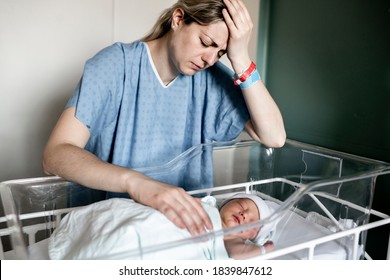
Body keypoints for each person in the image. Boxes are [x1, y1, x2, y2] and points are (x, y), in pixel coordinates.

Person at [42, 0, 286, 237]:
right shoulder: (116, 65)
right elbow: (56, 154)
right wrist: (136, 184)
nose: (210, 59)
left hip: (180, 234)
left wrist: (241, 59)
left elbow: (274, 137)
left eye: (220, 52)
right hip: (111, 229)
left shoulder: (212, 78)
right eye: (206, 42)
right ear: (178, 19)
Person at [48, 193, 275, 260]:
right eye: (243, 205)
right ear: (227, 203)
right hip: (158, 221)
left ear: (252, 236)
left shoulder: (232, 240)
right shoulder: (206, 206)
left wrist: (265, 250)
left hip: (177, 247)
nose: (244, 215)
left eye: (253, 222)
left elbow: (238, 254)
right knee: (132, 223)